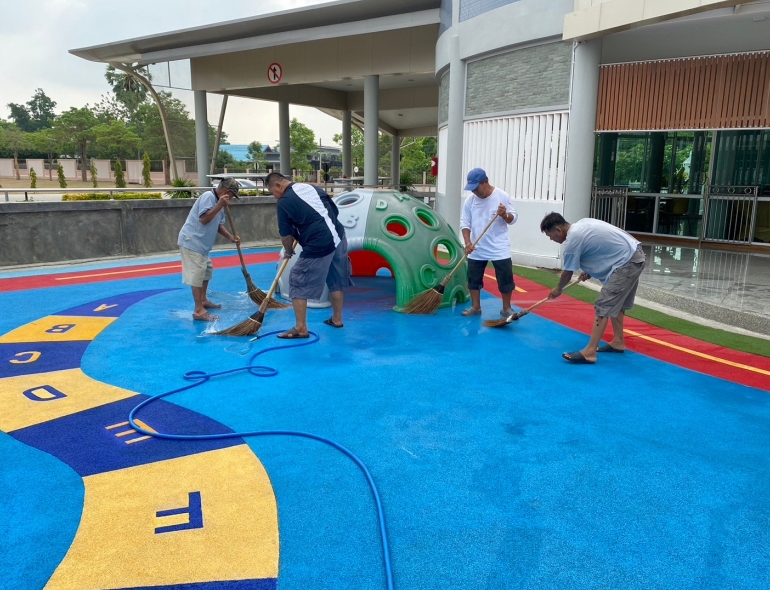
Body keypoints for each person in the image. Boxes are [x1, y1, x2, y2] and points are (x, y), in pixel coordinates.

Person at [540, 212, 646, 364]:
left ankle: (590, 352)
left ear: (558, 230)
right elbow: (601, 248)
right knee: (618, 303)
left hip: (628, 261)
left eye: (550, 236)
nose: (552, 239)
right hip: (633, 254)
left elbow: (568, 273)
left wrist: (558, 289)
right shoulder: (582, 224)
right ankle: (618, 342)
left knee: (603, 304)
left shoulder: (572, 240)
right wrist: (588, 271)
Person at [266, 172, 353, 338]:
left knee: (297, 278)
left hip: (320, 243)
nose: (274, 196)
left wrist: (289, 251)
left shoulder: (283, 202)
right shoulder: (308, 187)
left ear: (278, 185)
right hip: (339, 236)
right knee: (335, 279)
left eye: (272, 192)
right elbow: (333, 208)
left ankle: (300, 328)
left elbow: (286, 235)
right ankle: (337, 319)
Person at [177, 177, 240, 321]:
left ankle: (203, 300)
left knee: (206, 272)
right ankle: (199, 310)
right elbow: (204, 219)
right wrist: (219, 205)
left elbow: (218, 224)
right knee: (197, 275)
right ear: (226, 192)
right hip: (192, 242)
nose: (231, 199)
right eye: (232, 195)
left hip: (203, 246)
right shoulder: (208, 197)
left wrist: (231, 237)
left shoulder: (221, 204)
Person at [459, 168, 518, 317]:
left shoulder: (502, 196)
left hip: (499, 247)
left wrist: (504, 214)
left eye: (476, 188)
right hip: (476, 248)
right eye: (471, 189)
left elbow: (513, 219)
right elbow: (465, 223)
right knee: (473, 278)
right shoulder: (470, 201)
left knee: (505, 278)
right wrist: (467, 242)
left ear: (485, 182)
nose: (474, 192)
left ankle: (506, 309)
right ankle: (476, 307)